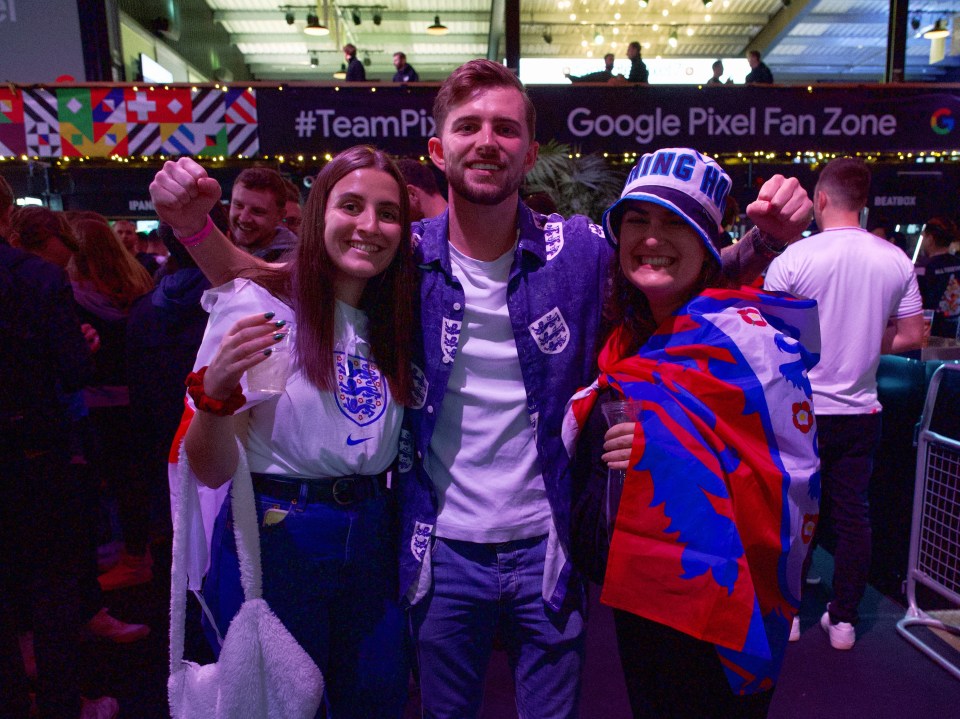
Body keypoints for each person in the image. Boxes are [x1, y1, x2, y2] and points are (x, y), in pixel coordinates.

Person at [150, 59, 813, 719]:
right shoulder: (401, 256)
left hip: (546, 545)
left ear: (528, 150)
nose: (487, 141)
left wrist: (764, 238)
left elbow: (669, 268)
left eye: (505, 128)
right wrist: (192, 229)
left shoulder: (576, 251)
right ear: (438, 149)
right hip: (439, 549)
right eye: (468, 126)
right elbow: (284, 276)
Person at [153, 145, 417, 717]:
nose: (370, 226)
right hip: (279, 533)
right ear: (318, 214)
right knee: (277, 707)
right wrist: (215, 399)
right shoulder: (262, 309)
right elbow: (212, 466)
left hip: (374, 531)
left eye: (388, 212)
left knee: (374, 700)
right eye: (351, 205)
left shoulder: (397, 320)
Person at [567, 149, 820, 719]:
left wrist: (661, 447)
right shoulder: (627, 330)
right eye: (638, 220)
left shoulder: (742, 337)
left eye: (675, 223)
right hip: (644, 588)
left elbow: (781, 469)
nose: (652, 238)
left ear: (707, 242)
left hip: (719, 593)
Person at [764, 157, 923, 650]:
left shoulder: (792, 259)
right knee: (854, 516)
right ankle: (845, 620)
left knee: (791, 513)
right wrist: (859, 344)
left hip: (801, 412)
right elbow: (915, 334)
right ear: (863, 201)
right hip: (861, 412)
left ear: (822, 199)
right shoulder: (896, 258)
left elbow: (769, 338)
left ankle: (788, 613)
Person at [0, 177, 119, 719]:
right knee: (52, 591)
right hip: (34, 456)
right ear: (8, 216)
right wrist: (81, 347)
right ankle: (61, 706)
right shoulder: (38, 279)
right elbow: (71, 370)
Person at [70, 219, 156, 593]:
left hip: (98, 401)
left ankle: (134, 559)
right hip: (138, 398)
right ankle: (134, 551)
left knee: (114, 483)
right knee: (131, 481)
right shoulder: (138, 284)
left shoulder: (74, 293)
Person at [228, 167, 298, 261]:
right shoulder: (214, 250)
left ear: (279, 216)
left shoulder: (297, 265)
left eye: (257, 211)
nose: (243, 218)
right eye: (238, 205)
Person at [915, 216, 960, 338]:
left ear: (930, 239)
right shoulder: (958, 263)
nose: (923, 240)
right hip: (955, 334)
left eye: (923, 236)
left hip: (929, 336)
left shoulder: (922, 269)